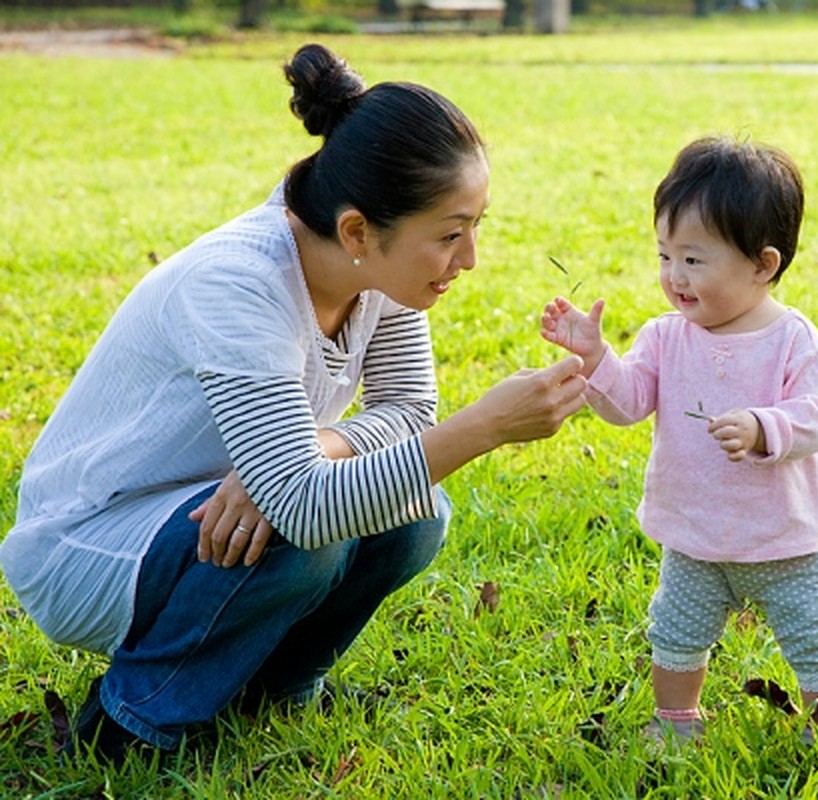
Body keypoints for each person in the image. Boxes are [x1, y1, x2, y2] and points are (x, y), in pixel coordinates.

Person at [0, 43, 587, 764]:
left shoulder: (383, 272)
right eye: (450, 235)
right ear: (356, 231)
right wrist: (487, 427)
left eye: (475, 227)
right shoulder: (238, 286)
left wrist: (317, 449)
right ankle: (129, 722)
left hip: (193, 510)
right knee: (313, 526)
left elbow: (407, 413)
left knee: (414, 510)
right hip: (88, 542)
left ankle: (271, 690)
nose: (468, 260)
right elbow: (306, 509)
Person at [540, 136, 818, 742]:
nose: (674, 278)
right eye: (664, 256)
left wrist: (767, 427)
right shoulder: (666, 337)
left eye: (694, 260)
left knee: (817, 637)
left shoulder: (792, 339)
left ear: (763, 265)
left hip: (787, 540)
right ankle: (677, 721)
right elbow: (628, 403)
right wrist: (597, 358)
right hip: (695, 536)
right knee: (676, 634)